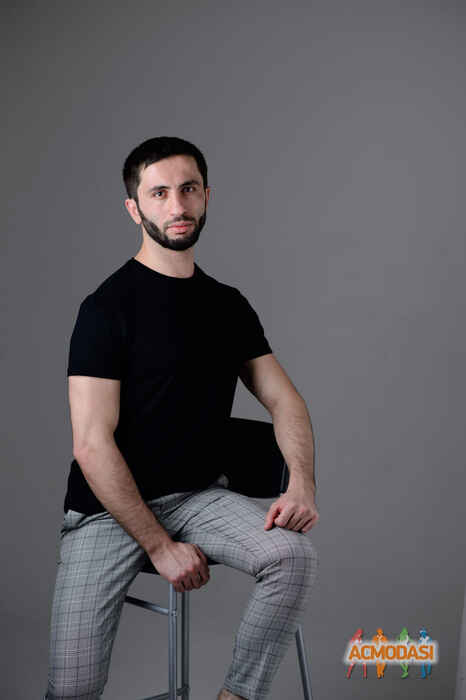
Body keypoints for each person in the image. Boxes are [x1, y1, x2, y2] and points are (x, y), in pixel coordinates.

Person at [44, 136, 320, 700]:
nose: (177, 205)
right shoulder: (106, 308)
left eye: (188, 189)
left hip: (197, 497)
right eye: (160, 193)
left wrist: (302, 484)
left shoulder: (227, 304)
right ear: (134, 208)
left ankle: (235, 697)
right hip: (107, 511)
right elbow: (91, 444)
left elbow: (286, 400)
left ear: (207, 196)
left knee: (292, 556)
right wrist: (158, 546)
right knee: (72, 690)